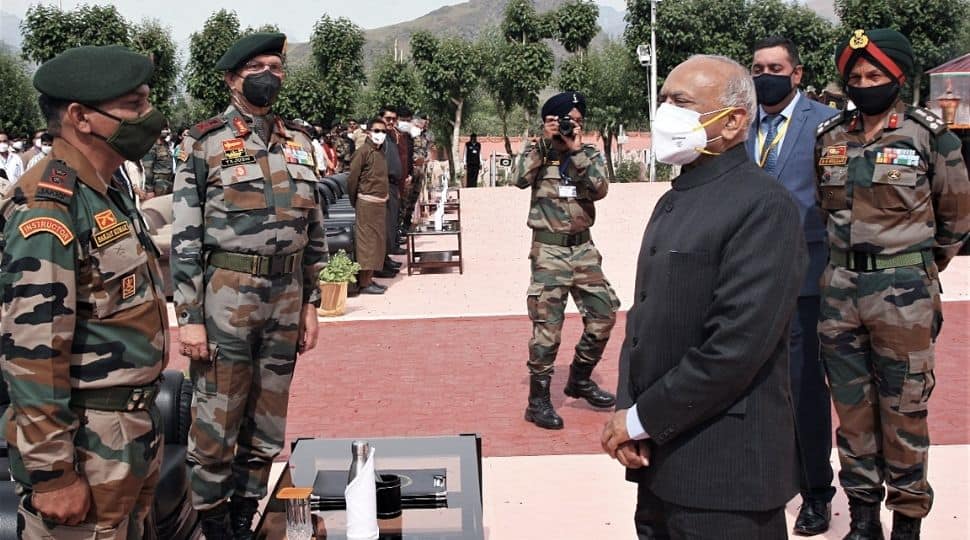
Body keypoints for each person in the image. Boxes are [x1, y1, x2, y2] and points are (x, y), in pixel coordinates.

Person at [602, 54, 807, 539]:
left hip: (725, 477)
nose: (664, 113)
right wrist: (629, 414)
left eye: (681, 102)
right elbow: (647, 321)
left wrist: (641, 418)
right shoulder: (677, 197)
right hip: (660, 462)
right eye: (662, 100)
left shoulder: (764, 205)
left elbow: (734, 347)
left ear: (734, 121)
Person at [0, 44, 168, 539]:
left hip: (129, 431)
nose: (149, 115)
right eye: (134, 105)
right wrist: (54, 475)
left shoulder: (106, 190)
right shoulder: (48, 211)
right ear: (81, 117)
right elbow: (33, 352)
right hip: (87, 445)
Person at [170, 32, 328, 540]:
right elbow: (186, 238)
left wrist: (311, 303)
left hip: (285, 298)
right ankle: (214, 524)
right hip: (227, 298)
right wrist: (189, 320)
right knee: (217, 419)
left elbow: (314, 231)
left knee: (267, 421)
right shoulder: (204, 142)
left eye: (277, 66)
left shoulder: (300, 143)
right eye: (257, 66)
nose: (269, 75)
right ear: (232, 78)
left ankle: (246, 515)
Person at [816, 28, 970, 540]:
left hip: (904, 292)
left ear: (897, 78)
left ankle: (907, 520)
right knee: (852, 410)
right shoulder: (831, 138)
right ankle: (863, 516)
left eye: (874, 75)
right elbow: (825, 209)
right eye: (855, 76)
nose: (863, 83)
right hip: (839, 290)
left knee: (904, 410)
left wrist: (916, 266)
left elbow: (956, 218)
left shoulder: (929, 136)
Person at [747, 35, 840, 536]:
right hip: (750, 284)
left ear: (797, 74)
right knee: (753, 388)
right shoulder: (742, 126)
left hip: (806, 282)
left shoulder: (826, 123)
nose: (767, 75)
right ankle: (763, 483)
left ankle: (816, 493)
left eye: (776, 67)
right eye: (758, 67)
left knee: (804, 392)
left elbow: (839, 199)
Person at [513, 91, 620, 430]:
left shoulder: (588, 154)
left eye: (576, 120)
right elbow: (518, 179)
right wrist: (543, 143)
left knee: (604, 315)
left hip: (584, 249)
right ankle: (538, 401)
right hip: (549, 251)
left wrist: (575, 151)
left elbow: (600, 188)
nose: (569, 125)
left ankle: (580, 379)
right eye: (563, 119)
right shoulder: (537, 152)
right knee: (548, 330)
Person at [347, 118, 391, 294]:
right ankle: (364, 283)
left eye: (383, 131)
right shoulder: (362, 152)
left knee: (377, 243)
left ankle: (370, 278)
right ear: (368, 132)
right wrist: (356, 201)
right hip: (366, 203)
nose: (380, 135)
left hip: (380, 204)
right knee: (367, 243)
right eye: (376, 130)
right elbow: (352, 180)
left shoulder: (380, 153)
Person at [142, 126, 175, 197]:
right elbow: (147, 169)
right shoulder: (151, 146)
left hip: (168, 183)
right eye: (164, 129)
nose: (166, 131)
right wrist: (149, 190)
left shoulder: (166, 145)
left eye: (167, 129)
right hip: (158, 186)